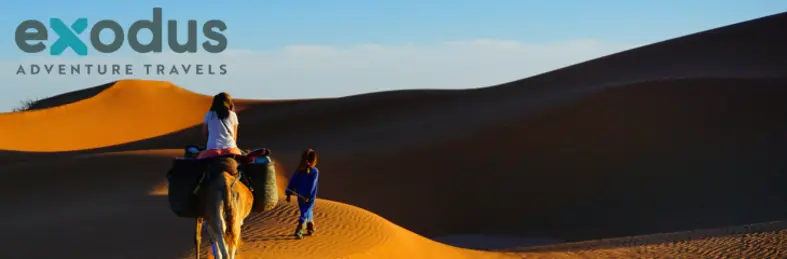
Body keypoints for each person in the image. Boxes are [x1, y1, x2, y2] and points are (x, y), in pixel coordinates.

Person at [285, 149, 320, 239]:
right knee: (305, 212)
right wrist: (308, 195)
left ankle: (310, 227)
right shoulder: (315, 171)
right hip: (309, 197)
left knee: (306, 211)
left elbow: (292, 182)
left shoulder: (298, 171)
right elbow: (312, 185)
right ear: (314, 160)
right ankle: (299, 229)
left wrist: (288, 193)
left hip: (301, 196)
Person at [197, 92, 242, 159]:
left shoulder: (209, 115)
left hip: (212, 150)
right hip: (231, 150)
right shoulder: (233, 115)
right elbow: (234, 137)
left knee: (197, 160)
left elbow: (205, 133)